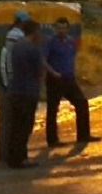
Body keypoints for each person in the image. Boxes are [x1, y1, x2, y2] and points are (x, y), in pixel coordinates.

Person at [42, 16, 98, 146]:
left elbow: (71, 59)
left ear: (67, 29)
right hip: (54, 79)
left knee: (82, 103)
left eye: (64, 28)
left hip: (69, 79)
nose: (61, 30)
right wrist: (53, 72)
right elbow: (43, 60)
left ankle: (83, 135)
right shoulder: (50, 42)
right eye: (59, 28)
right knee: (52, 109)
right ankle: (52, 140)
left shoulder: (70, 42)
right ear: (55, 28)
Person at [2, 18, 45, 169]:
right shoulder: (33, 48)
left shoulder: (16, 46)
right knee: (25, 127)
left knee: (15, 126)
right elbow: (39, 71)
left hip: (15, 90)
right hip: (28, 91)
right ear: (34, 32)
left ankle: (12, 157)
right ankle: (22, 158)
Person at [0, 9, 32, 164]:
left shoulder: (11, 39)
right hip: (15, 87)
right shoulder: (16, 39)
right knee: (16, 123)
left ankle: (7, 154)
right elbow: (10, 66)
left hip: (12, 86)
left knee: (10, 123)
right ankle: (14, 157)